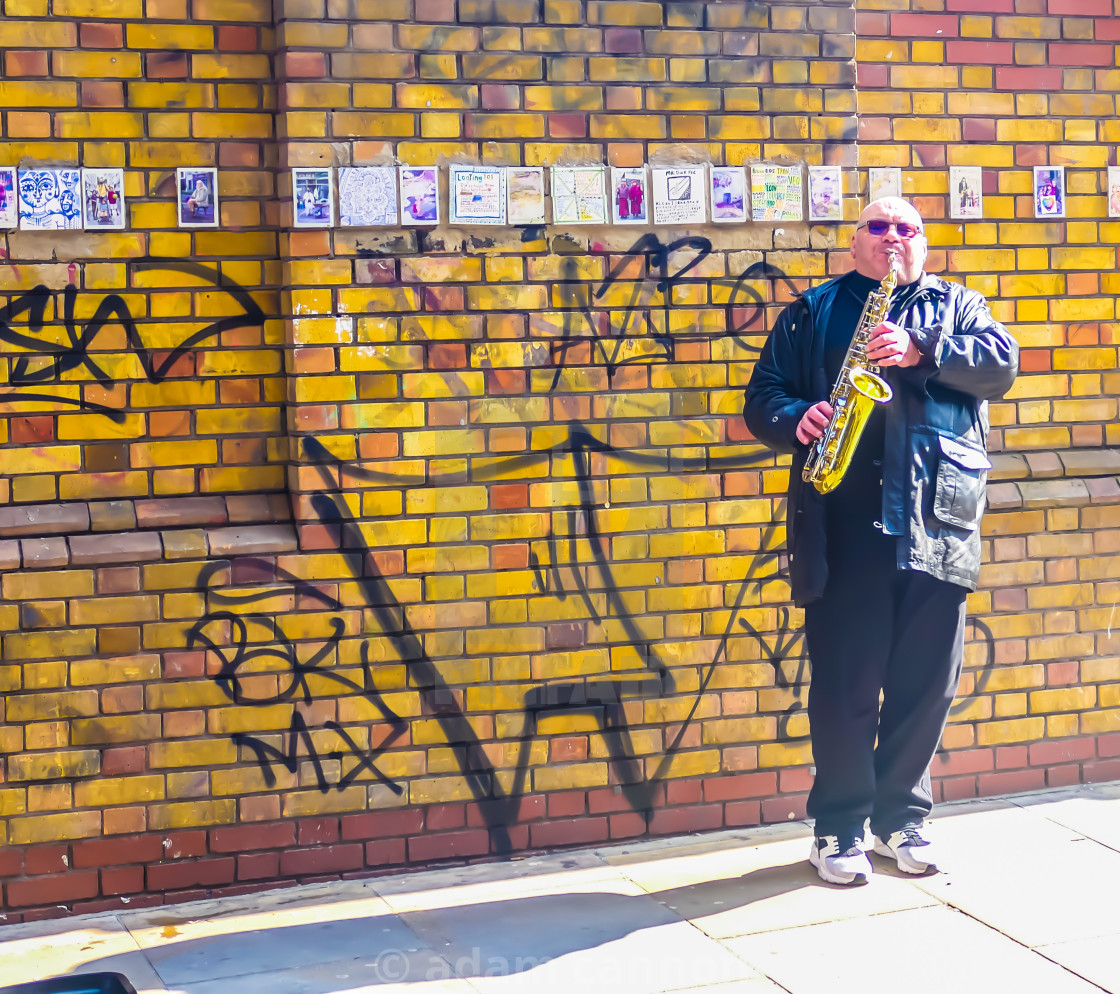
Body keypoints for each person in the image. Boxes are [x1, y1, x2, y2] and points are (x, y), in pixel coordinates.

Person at [743, 198, 1018, 886]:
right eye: (878, 226)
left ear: (921, 243)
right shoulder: (815, 310)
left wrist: (925, 350)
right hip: (844, 527)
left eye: (906, 227)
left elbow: (1000, 365)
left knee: (926, 687)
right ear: (854, 241)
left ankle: (902, 819)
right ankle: (838, 828)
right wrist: (793, 416)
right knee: (844, 688)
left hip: (936, 525)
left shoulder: (958, 306)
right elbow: (762, 396)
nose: (892, 236)